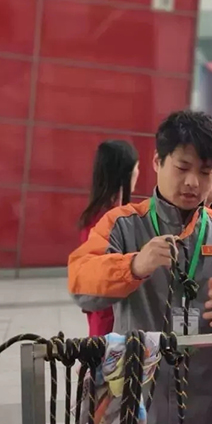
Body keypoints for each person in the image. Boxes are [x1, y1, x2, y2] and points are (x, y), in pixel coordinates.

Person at [68, 110, 212, 424]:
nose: (193, 182)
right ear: (157, 162)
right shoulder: (122, 224)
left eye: (205, 172)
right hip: (137, 400)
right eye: (182, 167)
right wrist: (134, 266)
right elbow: (82, 285)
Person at [77, 140, 140, 336]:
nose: (138, 173)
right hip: (112, 321)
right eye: (136, 168)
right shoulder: (109, 220)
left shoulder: (98, 215)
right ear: (125, 174)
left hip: (105, 317)